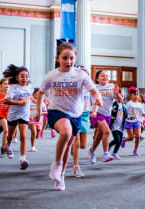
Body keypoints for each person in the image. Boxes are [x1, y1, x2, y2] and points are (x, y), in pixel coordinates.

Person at [35, 42, 102, 191]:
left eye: (71, 58)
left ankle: (61, 176)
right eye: (65, 58)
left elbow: (93, 89)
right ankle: (57, 164)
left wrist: (98, 98)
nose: (68, 61)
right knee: (66, 132)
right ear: (58, 58)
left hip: (76, 114)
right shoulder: (52, 76)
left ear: (75, 58)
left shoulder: (80, 75)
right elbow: (40, 93)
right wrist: (38, 111)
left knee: (68, 147)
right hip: (57, 112)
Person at [88, 70, 122, 164]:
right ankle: (106, 154)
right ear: (97, 78)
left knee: (99, 135)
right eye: (102, 76)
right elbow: (93, 101)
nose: (105, 77)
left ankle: (92, 151)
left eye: (107, 76)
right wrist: (93, 111)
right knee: (106, 131)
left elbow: (119, 101)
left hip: (107, 114)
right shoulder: (94, 88)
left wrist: (117, 94)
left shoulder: (112, 86)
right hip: (97, 112)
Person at [3, 64, 31, 170]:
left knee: (23, 136)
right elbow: (5, 100)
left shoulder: (29, 86)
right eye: (22, 76)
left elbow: (28, 98)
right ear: (17, 77)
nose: (25, 78)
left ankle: (23, 159)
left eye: (27, 76)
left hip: (25, 115)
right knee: (10, 135)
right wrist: (19, 103)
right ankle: (8, 145)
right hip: (14, 114)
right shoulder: (13, 88)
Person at [72, 65, 92, 178]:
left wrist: (95, 110)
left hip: (85, 115)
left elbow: (95, 100)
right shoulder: (73, 88)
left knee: (83, 145)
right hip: (74, 115)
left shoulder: (90, 89)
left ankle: (73, 149)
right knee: (77, 142)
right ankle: (76, 166)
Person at [121, 88, 145, 156]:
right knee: (131, 138)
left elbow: (142, 114)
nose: (136, 96)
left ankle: (135, 150)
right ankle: (124, 139)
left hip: (137, 122)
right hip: (129, 122)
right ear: (131, 95)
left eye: (137, 95)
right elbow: (124, 113)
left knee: (138, 136)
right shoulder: (129, 104)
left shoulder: (139, 104)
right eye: (134, 95)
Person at [108, 90, 127, 160]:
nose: (121, 98)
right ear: (116, 97)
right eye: (120, 96)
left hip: (121, 126)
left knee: (120, 140)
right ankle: (109, 145)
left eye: (122, 96)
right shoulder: (114, 104)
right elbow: (109, 112)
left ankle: (114, 153)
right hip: (114, 126)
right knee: (117, 139)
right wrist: (112, 118)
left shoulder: (124, 106)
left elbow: (126, 115)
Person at [28, 88, 46, 152]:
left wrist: (40, 112)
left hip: (39, 120)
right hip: (31, 119)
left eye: (39, 94)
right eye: (36, 94)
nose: (37, 96)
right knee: (34, 132)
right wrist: (31, 108)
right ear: (33, 94)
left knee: (37, 134)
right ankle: (32, 147)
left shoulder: (42, 103)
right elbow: (26, 108)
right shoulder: (29, 101)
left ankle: (34, 138)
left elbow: (46, 112)